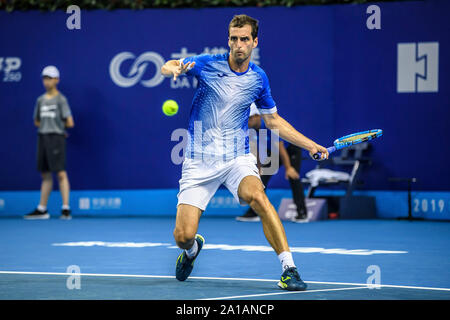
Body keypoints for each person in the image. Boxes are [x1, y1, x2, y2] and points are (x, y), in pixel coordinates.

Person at [161, 14, 328, 291]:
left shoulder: (258, 78)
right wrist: (172, 70)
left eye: (244, 39)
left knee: (259, 197)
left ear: (254, 42)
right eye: (234, 39)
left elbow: (273, 121)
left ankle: (289, 269)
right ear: (228, 40)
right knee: (183, 235)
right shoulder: (206, 64)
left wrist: (310, 145)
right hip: (198, 162)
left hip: (236, 158)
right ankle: (191, 251)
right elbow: (169, 64)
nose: (238, 44)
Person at [236, 104, 308, 222]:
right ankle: (254, 212)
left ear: (256, 117)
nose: (246, 121)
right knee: (261, 179)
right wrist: (259, 167)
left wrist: (288, 168)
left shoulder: (269, 126)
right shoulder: (253, 129)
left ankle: (302, 213)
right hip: (274, 151)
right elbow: (259, 149)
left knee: (293, 178)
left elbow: (281, 148)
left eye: (249, 118)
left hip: (290, 149)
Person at [24, 66, 74, 220]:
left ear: (56, 80)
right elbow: (37, 121)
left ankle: (65, 209)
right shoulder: (40, 100)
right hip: (43, 137)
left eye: (49, 78)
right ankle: (42, 209)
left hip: (56, 138)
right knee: (45, 174)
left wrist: (58, 127)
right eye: (44, 78)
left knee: (60, 173)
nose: (46, 82)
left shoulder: (61, 100)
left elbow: (70, 122)